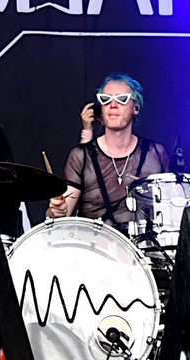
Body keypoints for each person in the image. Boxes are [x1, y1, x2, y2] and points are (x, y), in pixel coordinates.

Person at [45, 74, 172, 238]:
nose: (113, 105)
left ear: (136, 108)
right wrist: (56, 211)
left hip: (146, 249)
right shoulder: (81, 156)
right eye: (105, 99)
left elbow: (170, 214)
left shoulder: (156, 153)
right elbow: (61, 214)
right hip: (94, 248)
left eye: (122, 99)